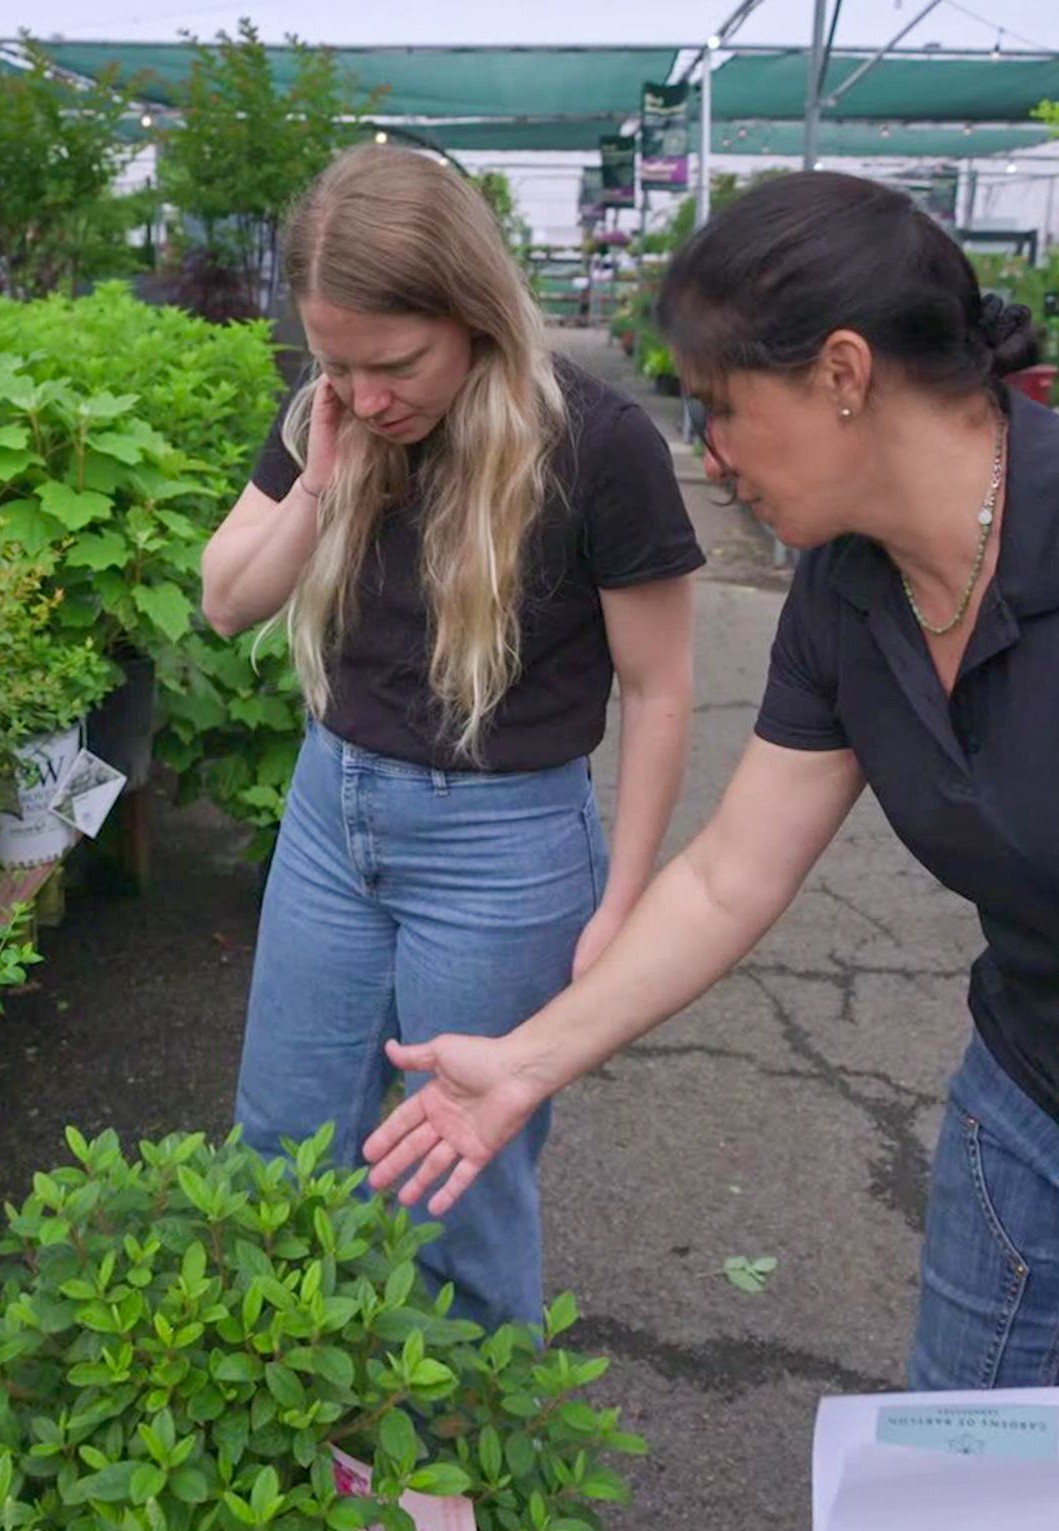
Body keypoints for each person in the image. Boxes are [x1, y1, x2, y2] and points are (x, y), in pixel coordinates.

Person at [362, 169, 1059, 1513]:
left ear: (845, 373)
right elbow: (733, 872)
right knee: (962, 1517)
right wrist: (525, 1062)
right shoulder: (848, 587)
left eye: (727, 407)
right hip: (1029, 1121)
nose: (715, 450)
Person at [200, 144, 703, 1334]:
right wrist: (323, 478)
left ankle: (464, 1483)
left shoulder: (596, 445)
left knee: (452, 1183)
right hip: (335, 813)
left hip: (505, 844)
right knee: (282, 1141)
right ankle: (295, 1443)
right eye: (337, 362)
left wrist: (624, 901)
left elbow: (664, 684)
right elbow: (226, 600)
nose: (368, 394)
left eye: (396, 363)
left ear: (471, 311)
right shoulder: (331, 419)